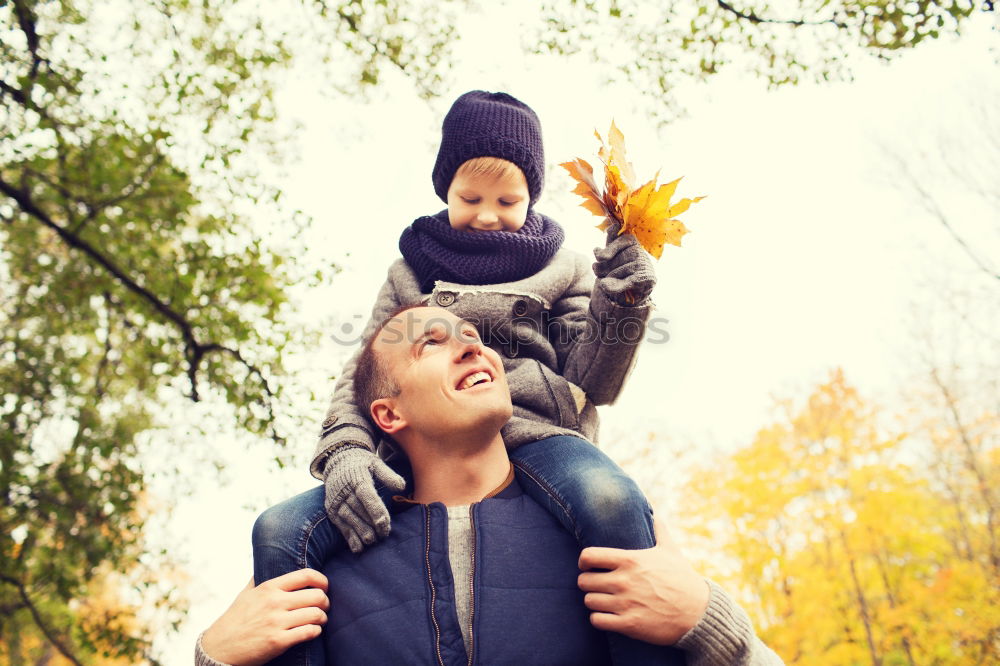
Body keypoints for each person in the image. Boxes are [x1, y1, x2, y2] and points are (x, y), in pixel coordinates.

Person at [254, 90, 663, 663]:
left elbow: (595, 377)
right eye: (470, 198)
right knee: (279, 529)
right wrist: (347, 449)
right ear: (445, 189)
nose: (488, 214)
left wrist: (622, 302)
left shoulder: (562, 266)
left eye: (508, 199)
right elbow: (365, 371)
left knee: (611, 497)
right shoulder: (412, 270)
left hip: (540, 433)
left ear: (532, 198)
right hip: (424, 437)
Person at [197, 307, 784, 666]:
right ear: (388, 415)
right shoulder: (317, 567)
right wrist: (212, 659)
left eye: (472, 335)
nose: (473, 345)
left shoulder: (610, 532)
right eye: (432, 342)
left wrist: (709, 624)